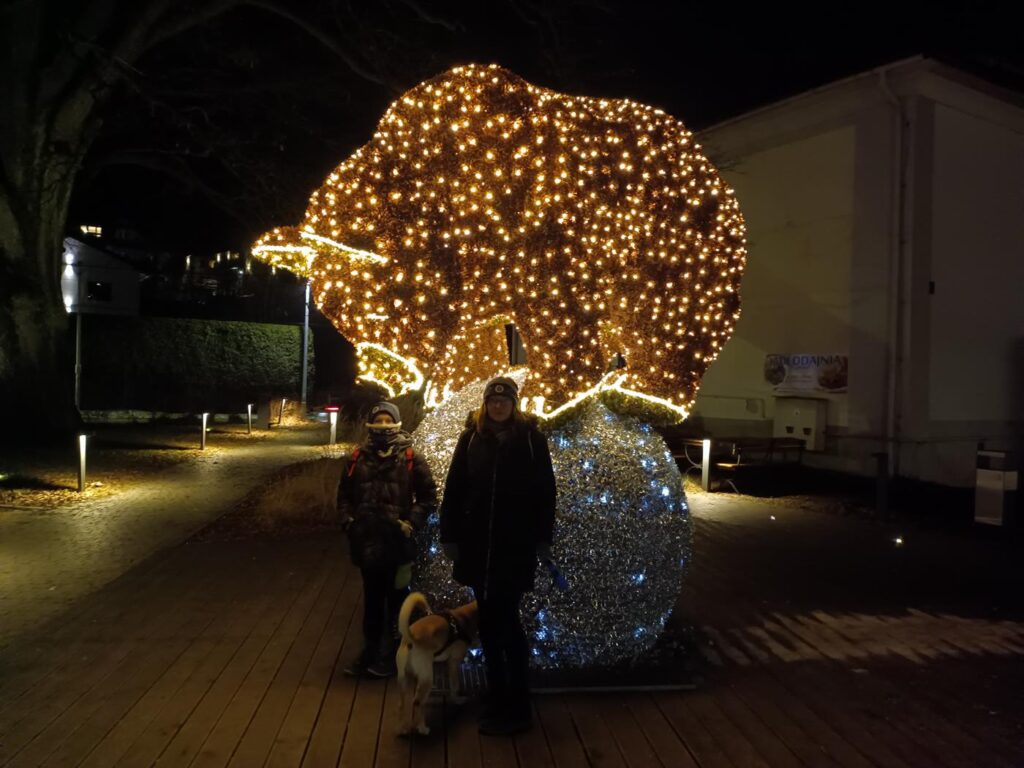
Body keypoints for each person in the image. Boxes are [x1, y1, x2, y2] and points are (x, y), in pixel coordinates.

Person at [439, 376, 557, 735]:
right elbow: (455, 488)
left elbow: (545, 492)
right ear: (486, 404)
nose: (499, 406)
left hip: (513, 549)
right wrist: (450, 536)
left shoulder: (532, 441)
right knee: (489, 627)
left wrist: (542, 539)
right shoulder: (471, 439)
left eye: (505, 401)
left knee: (508, 626)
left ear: (514, 404)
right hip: (477, 550)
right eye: (493, 401)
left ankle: (517, 705)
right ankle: (497, 696)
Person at [338, 401, 437, 678]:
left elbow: (429, 496)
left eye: (387, 420)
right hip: (367, 543)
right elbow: (344, 495)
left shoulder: (410, 456)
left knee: (397, 601)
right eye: (377, 421)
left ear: (396, 423)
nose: (383, 426)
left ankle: (395, 653)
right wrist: (348, 522)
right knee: (372, 600)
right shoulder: (357, 457)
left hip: (397, 544)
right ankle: (369, 651)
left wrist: (411, 522)